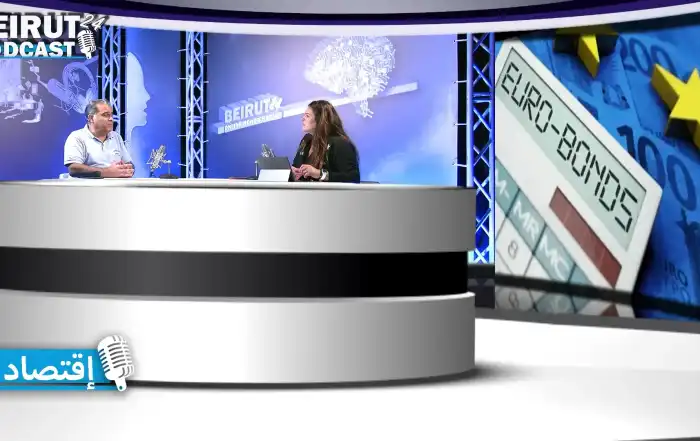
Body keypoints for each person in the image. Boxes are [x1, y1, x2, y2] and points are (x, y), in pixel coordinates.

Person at [291, 100, 360, 183]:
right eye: (303, 115)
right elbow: (297, 166)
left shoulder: (340, 143)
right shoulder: (306, 140)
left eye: (307, 116)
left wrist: (320, 174)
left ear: (320, 119)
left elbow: (353, 177)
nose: (302, 119)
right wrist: (293, 172)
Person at [63, 99, 134, 178]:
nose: (111, 119)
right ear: (91, 118)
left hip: (115, 185)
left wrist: (127, 169)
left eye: (111, 115)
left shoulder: (116, 137)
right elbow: (74, 169)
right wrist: (107, 172)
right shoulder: (77, 137)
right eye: (105, 115)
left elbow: (129, 164)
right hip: (87, 185)